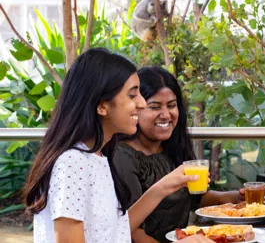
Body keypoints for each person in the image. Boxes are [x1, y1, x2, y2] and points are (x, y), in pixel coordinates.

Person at [22, 48, 211, 243]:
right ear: (102, 106)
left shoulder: (98, 156)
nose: (142, 103)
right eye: (132, 95)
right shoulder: (72, 162)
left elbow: (114, 232)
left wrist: (163, 187)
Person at [114, 66, 265, 243]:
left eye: (171, 105)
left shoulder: (172, 147)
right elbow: (130, 230)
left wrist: (237, 197)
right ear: (137, 108)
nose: (166, 115)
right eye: (155, 107)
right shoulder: (123, 156)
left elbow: (197, 197)